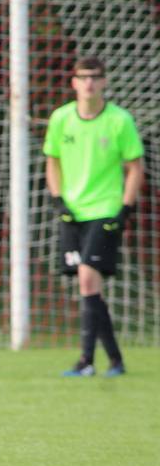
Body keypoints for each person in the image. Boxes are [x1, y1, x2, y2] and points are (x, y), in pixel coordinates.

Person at [43, 56, 144, 378]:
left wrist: (125, 208)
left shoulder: (119, 121)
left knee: (87, 277)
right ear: (73, 82)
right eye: (83, 77)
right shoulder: (61, 119)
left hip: (105, 210)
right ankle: (114, 360)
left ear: (104, 82)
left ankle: (86, 361)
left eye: (95, 77)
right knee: (89, 287)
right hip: (74, 213)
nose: (89, 83)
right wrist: (59, 201)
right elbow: (52, 161)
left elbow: (134, 167)